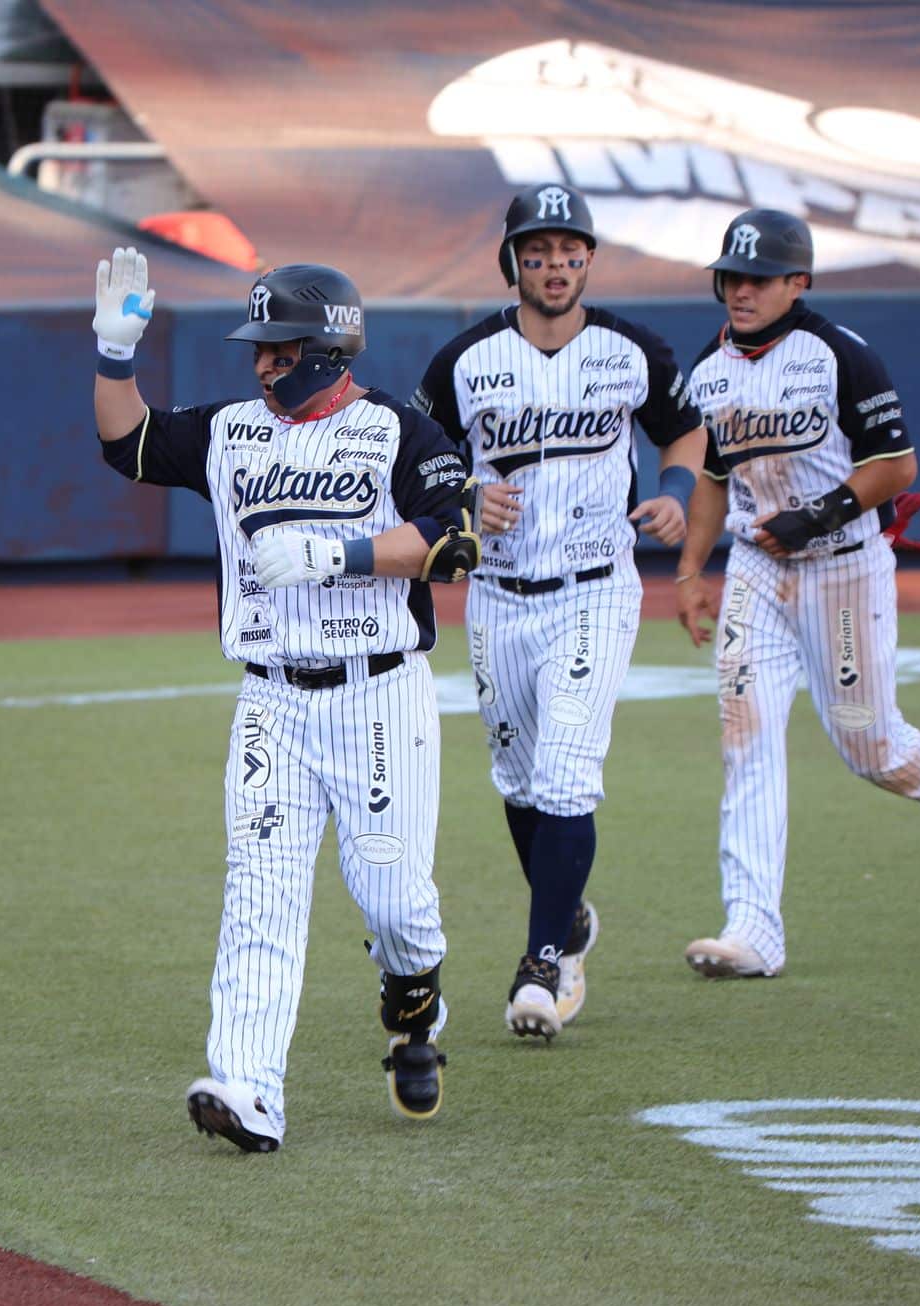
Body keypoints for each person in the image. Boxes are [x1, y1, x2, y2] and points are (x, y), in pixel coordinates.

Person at [91, 246, 480, 1152]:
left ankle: (413, 996)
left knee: (393, 896)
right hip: (270, 697)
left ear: (330, 344)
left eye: (280, 345)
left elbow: (453, 537)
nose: (263, 362)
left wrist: (338, 555)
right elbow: (126, 443)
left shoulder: (398, 431)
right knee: (259, 892)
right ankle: (248, 1088)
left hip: (378, 694)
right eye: (259, 347)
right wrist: (115, 354)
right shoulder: (231, 429)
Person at [413, 183, 706, 1039]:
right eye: (536, 252)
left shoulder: (630, 349)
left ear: (588, 258)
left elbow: (684, 430)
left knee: (567, 773)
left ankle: (543, 962)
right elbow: (420, 463)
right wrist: (464, 494)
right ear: (512, 261)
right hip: (500, 596)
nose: (553, 265)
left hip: (595, 586)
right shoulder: (463, 360)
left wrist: (677, 492)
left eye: (568, 250)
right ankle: (568, 915)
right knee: (517, 781)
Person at [672, 207, 920, 980]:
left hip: (842, 564)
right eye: (731, 276)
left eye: (760, 278)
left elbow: (896, 466)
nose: (741, 290)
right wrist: (689, 570)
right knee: (745, 736)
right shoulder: (708, 367)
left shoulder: (839, 354)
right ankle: (753, 929)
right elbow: (712, 477)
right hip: (757, 573)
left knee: (867, 745)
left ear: (797, 281)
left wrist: (816, 515)